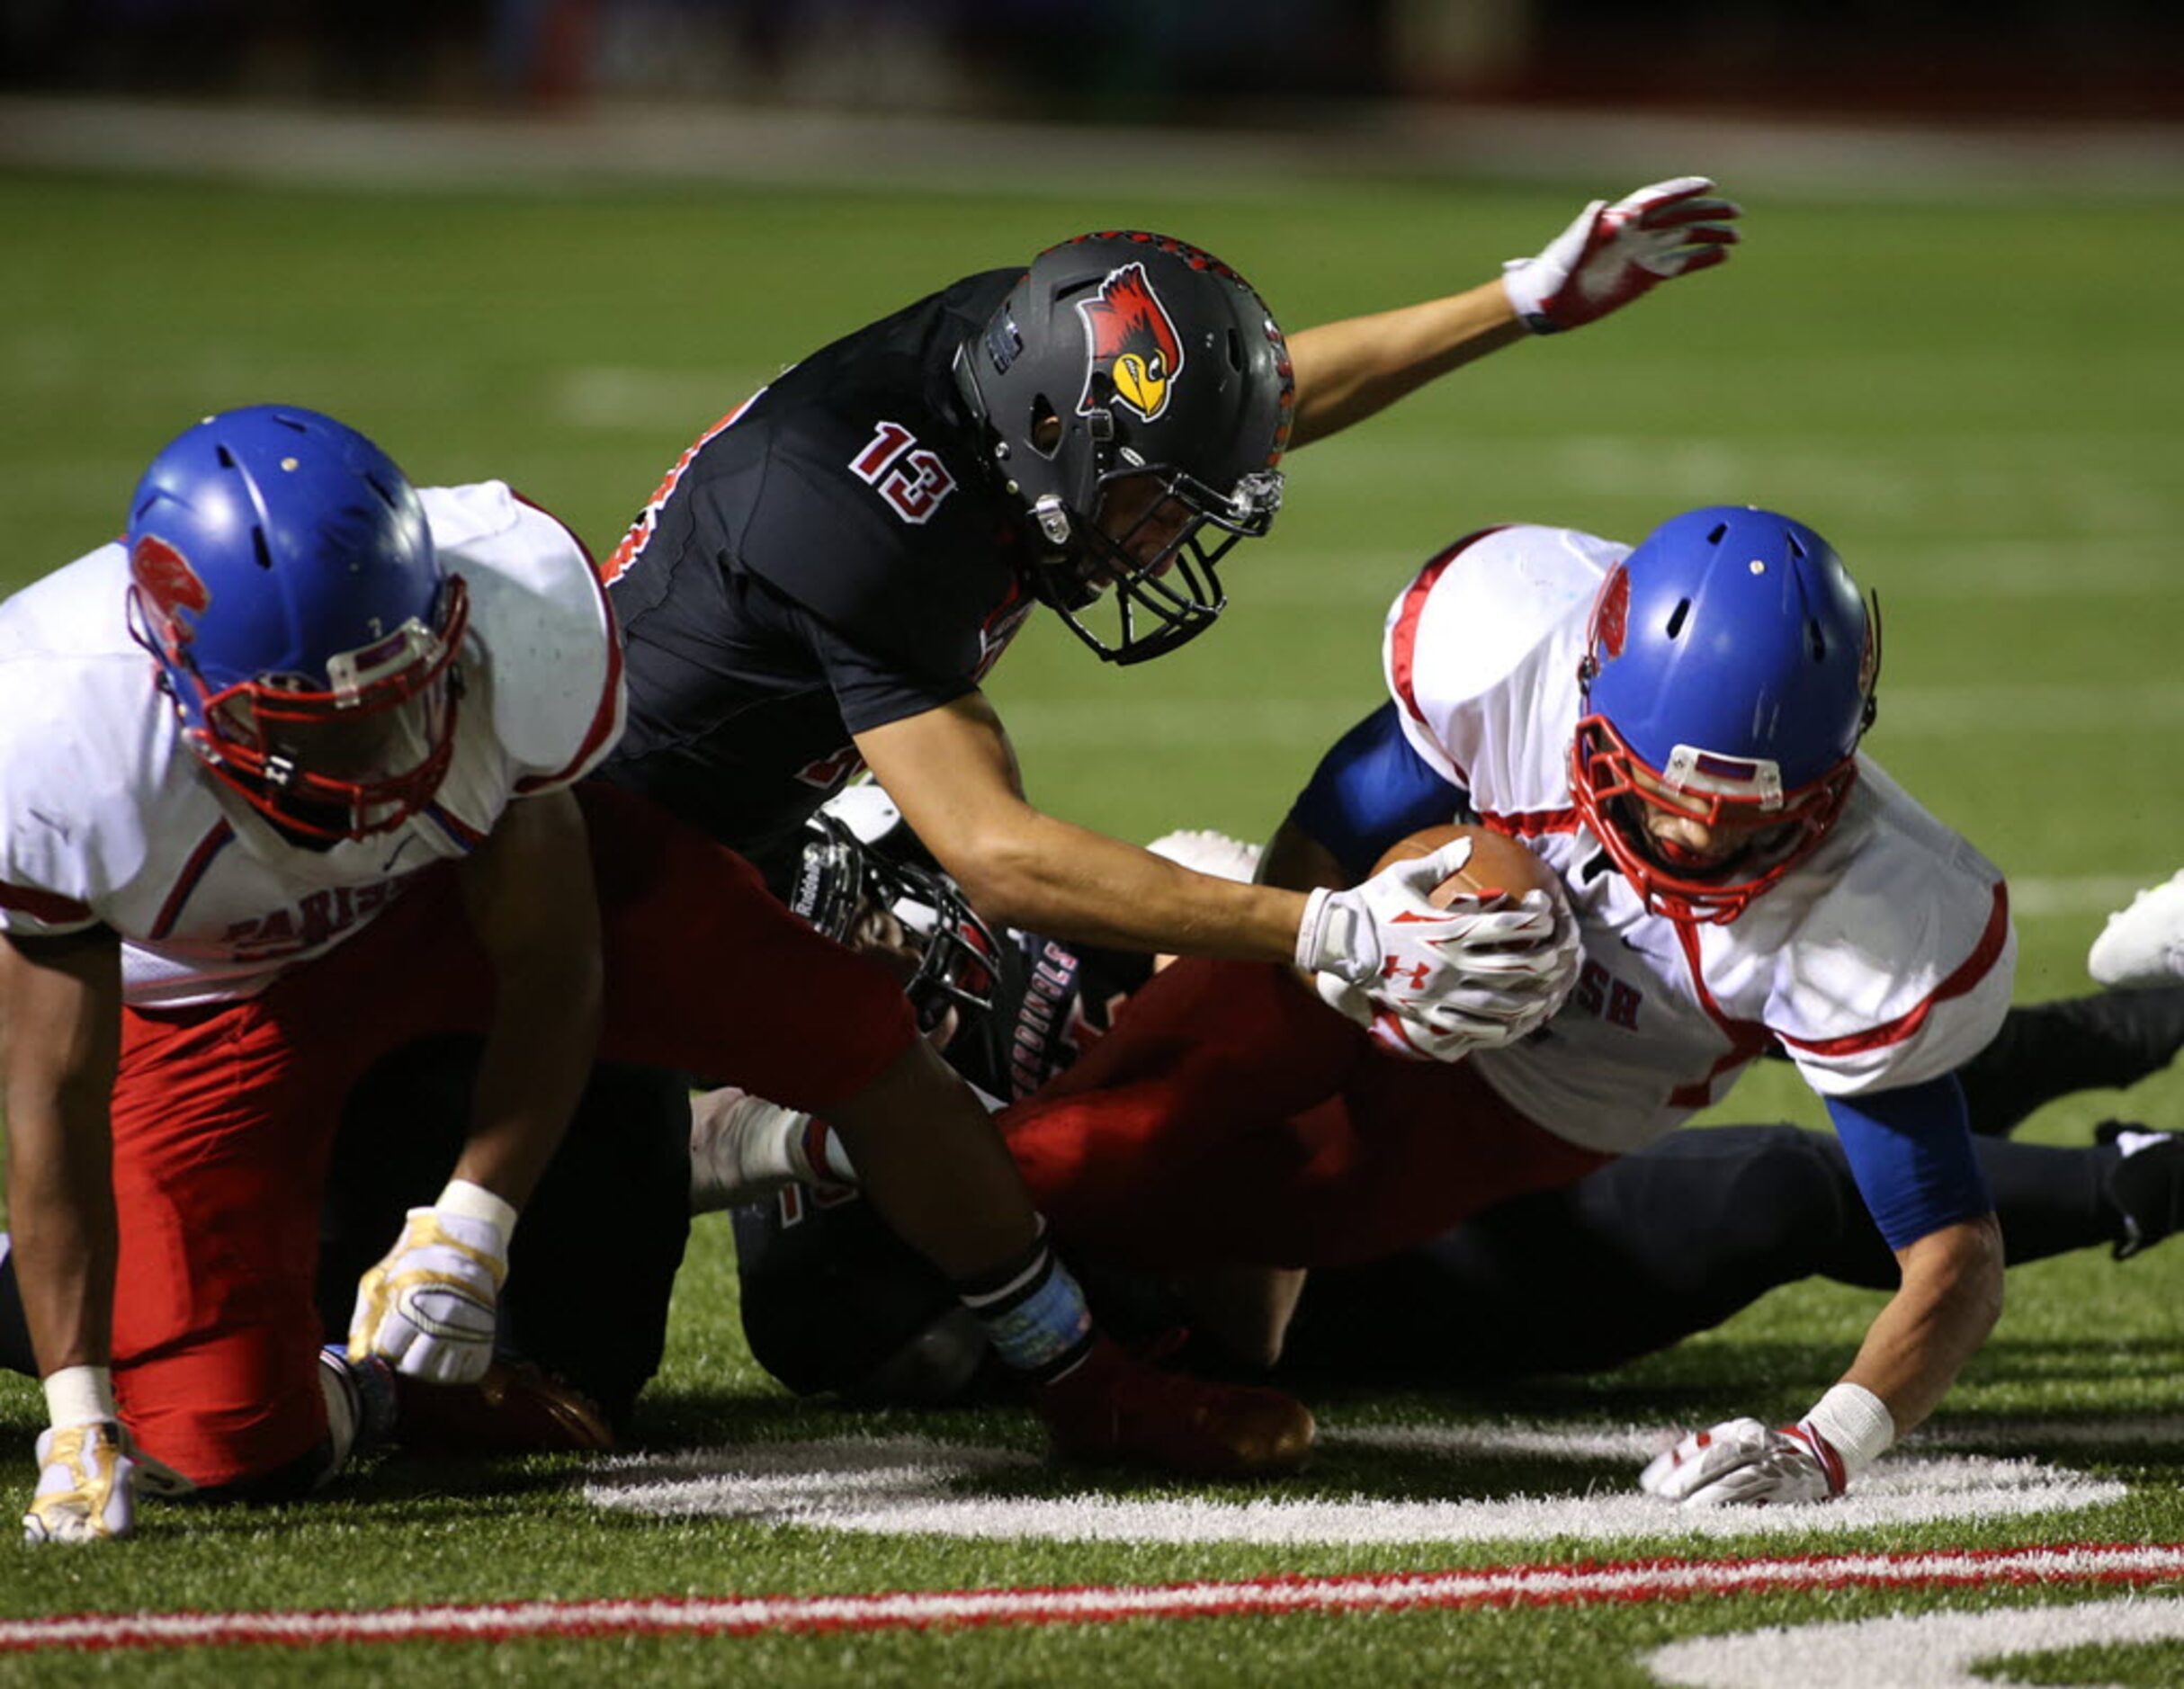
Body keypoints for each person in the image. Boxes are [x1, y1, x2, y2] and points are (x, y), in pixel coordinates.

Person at [0, 407, 1308, 1546]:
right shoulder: (54, 742)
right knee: (225, 1436)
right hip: (217, 1009)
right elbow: (53, 1098)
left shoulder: (509, 615)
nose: (385, 750)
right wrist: (74, 1410)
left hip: (445, 902)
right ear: (181, 684)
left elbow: (555, 959)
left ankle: (1081, 1372)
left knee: (842, 1022)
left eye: (403, 693)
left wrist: (476, 1215)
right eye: (322, 724)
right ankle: (387, 1391)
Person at [939, 504, 2019, 1509]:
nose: (1697, 842)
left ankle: (900, 1162)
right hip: (1398, 940)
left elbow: (1954, 1253)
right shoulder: (1516, 648)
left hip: (1527, 1098)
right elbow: (1322, 837)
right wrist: (1304, 961)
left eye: (1749, 818)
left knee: (1193, 1218)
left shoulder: (1878, 907)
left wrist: (1824, 1446)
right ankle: (871, 1155)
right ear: (1590, 689)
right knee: (1128, 1125)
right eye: (1666, 795)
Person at [595, 182, 1740, 1049]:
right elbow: (996, 853)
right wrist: (1323, 928)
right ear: (1046, 436)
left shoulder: (1022, 357)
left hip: (752, 803)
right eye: (1148, 508)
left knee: (987, 1003)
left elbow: (1243, 408)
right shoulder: (866, 515)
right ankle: (746, 1142)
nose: (1162, 542)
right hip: (607, 867)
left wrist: (1517, 303)